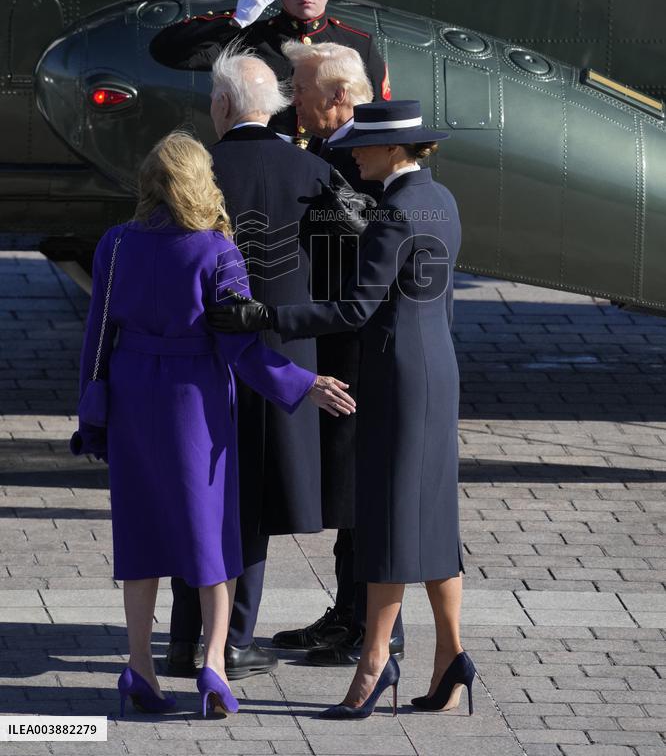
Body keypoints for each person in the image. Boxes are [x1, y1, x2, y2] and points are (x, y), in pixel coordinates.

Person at [71, 131, 355, 717]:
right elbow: (243, 348)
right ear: (202, 182)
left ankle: (140, 669)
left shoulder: (116, 245)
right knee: (211, 539)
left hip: (130, 395)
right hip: (193, 401)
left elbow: (96, 335)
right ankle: (215, 667)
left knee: (142, 537)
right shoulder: (217, 252)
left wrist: (92, 408)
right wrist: (303, 384)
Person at [207, 100, 475, 719]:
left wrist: (265, 315)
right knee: (434, 519)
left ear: (395, 150)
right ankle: (452, 656)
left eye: (365, 144)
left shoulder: (393, 214)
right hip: (439, 369)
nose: (354, 152)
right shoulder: (443, 201)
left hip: (398, 376)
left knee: (384, 520)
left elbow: (355, 310)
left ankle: (374, 664)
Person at [166, 48, 347, 682]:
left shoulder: (195, 171)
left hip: (203, 359)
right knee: (258, 506)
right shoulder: (313, 171)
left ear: (221, 105)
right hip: (286, 359)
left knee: (201, 499)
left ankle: (185, 636)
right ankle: (233, 640)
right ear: (272, 109)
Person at [270, 41, 404, 668]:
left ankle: (368, 626)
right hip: (339, 338)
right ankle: (350, 613)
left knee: (359, 483)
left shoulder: (362, 157)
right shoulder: (330, 148)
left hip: (359, 346)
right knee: (349, 482)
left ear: (339, 97)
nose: (291, 99)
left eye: (298, 88)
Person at [149, 0, 391, 134]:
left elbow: (380, 118)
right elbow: (167, 51)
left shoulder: (359, 45)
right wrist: (234, 20)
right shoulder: (249, 40)